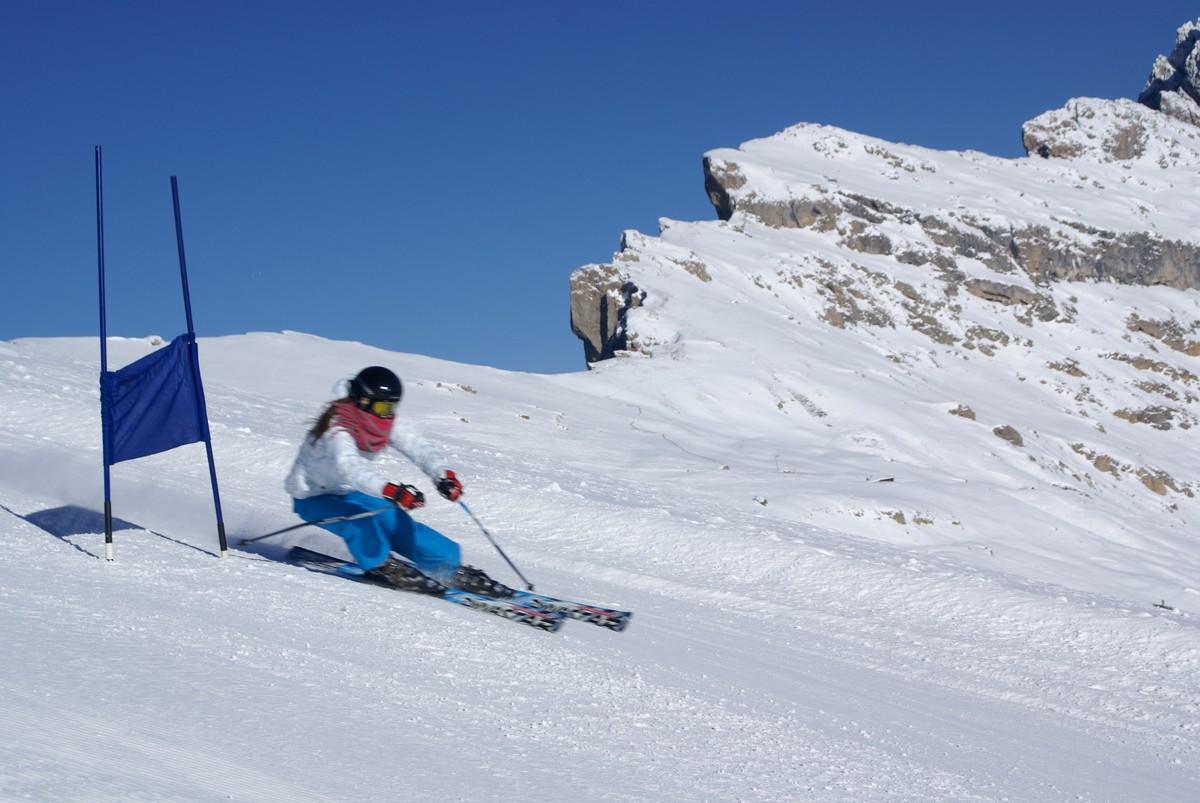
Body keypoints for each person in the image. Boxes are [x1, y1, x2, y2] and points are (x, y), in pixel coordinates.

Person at [285, 366, 511, 597]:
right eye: (383, 407)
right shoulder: (337, 428)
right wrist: (390, 490)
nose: (387, 414)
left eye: (392, 407)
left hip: (351, 492)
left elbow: (418, 446)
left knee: (400, 525)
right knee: (361, 524)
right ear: (363, 401)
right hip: (312, 496)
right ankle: (380, 566)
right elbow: (351, 467)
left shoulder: (381, 421)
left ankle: (449, 569)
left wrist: (442, 475)